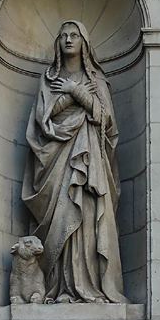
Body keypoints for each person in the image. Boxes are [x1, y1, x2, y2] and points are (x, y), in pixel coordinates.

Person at [22, 20, 129, 304]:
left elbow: (105, 120)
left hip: (89, 163)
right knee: (60, 216)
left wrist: (76, 90)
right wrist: (68, 94)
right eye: (63, 36)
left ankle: (90, 286)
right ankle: (59, 287)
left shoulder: (96, 82)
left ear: (84, 43)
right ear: (57, 43)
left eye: (74, 35)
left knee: (87, 219)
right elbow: (41, 120)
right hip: (56, 162)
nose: (68, 40)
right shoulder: (48, 80)